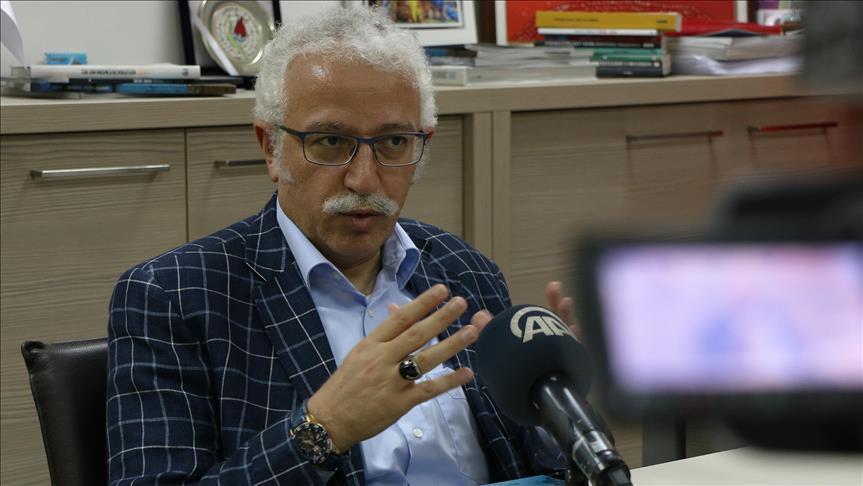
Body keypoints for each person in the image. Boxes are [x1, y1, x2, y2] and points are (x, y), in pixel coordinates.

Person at [107, 5, 577, 485]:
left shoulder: (466, 270)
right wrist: (324, 428)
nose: (364, 179)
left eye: (394, 142)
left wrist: (570, 415)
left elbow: (538, 467)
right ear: (270, 147)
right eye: (331, 142)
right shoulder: (174, 297)